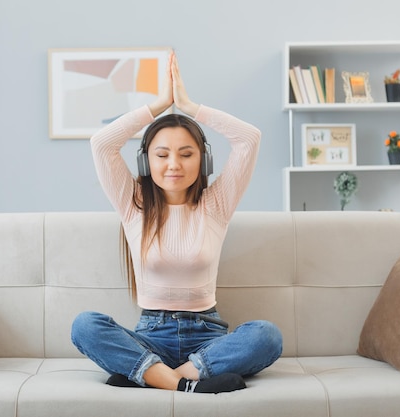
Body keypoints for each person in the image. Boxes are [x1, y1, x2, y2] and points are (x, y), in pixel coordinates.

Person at [71, 52, 282, 394]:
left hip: (207, 339)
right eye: (162, 154)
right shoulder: (133, 202)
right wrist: (158, 106)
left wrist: (189, 106)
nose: (174, 164)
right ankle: (187, 384)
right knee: (85, 326)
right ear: (146, 161)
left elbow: (249, 138)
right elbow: (102, 143)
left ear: (204, 159)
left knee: (267, 336)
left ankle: (155, 376)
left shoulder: (217, 203)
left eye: (186, 154)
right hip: (151, 336)